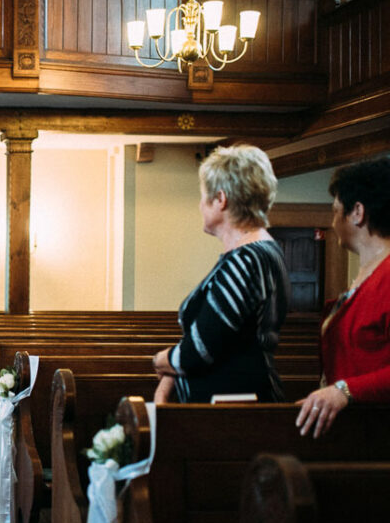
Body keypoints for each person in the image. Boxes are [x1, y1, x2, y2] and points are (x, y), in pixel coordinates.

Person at [153, 145, 290, 404]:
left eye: (203, 196)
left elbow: (199, 351)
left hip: (232, 410)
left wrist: (160, 360)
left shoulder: (246, 259)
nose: (199, 205)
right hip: (233, 404)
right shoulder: (261, 251)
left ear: (220, 199)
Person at [296, 157, 390, 438]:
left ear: (357, 212)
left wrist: (344, 391)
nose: (333, 221)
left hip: (378, 435)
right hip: (356, 430)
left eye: (336, 211)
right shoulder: (369, 273)